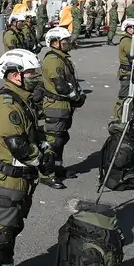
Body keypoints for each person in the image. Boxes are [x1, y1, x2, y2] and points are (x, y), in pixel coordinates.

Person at [0, 49, 51, 266]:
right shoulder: (7, 105)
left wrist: (44, 146)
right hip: (8, 178)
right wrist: (43, 159)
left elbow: (33, 132)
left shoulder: (23, 99)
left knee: (13, 227)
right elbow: (19, 146)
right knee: (1, 232)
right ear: (14, 75)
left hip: (22, 177)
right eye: (31, 73)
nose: (36, 77)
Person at [39, 27, 85, 189]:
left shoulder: (61, 57)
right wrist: (77, 96)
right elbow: (61, 86)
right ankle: (46, 174)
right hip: (55, 106)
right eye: (65, 42)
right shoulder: (53, 60)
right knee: (53, 141)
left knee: (61, 138)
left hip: (63, 106)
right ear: (54, 43)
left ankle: (57, 168)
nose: (68, 44)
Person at [114, 19, 134, 119]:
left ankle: (126, 116)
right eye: (131, 28)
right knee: (124, 96)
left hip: (131, 70)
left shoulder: (132, 39)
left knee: (131, 95)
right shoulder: (127, 40)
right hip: (127, 71)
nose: (133, 30)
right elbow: (132, 54)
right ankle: (119, 117)